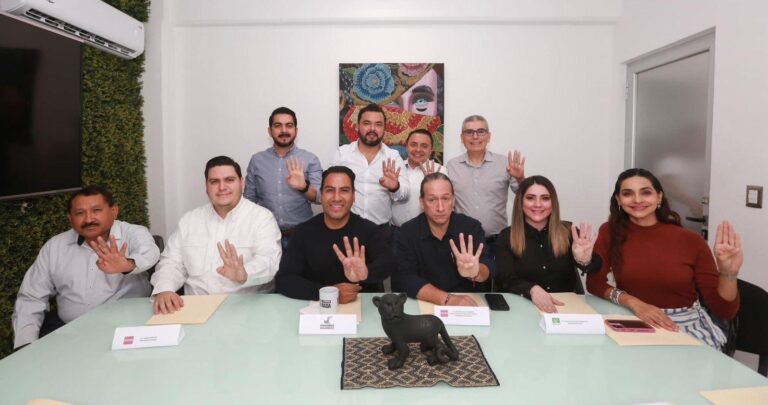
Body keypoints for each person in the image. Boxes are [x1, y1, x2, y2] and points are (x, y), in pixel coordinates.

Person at [586, 168, 741, 349]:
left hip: (683, 326)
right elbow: (594, 283)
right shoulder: (610, 231)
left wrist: (728, 273)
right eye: (628, 194)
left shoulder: (691, 240)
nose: (637, 200)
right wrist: (633, 302)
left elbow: (725, 310)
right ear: (618, 200)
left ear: (659, 197)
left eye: (646, 192)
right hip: (633, 318)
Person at [12, 185, 160, 348]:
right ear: (70, 217)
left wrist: (127, 264)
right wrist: (25, 344)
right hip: (70, 333)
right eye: (80, 213)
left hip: (126, 331)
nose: (89, 219)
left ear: (114, 211)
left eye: (96, 210)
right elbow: (31, 297)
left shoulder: (133, 233)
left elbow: (150, 254)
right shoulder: (55, 247)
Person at [151, 156, 281, 314]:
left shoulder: (262, 218)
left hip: (248, 310)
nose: (222, 187)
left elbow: (269, 261)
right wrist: (165, 289)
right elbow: (171, 262)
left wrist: (244, 274)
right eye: (214, 182)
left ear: (242, 183)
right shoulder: (189, 220)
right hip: (194, 309)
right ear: (206, 186)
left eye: (229, 180)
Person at [275, 166, 393, 303]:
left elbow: (388, 264)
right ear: (321, 195)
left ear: (354, 196)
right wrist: (328, 293)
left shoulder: (369, 230)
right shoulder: (303, 232)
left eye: (344, 190)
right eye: (330, 190)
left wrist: (366, 272)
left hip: (362, 308)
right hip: (316, 309)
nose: (336, 198)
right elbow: (284, 279)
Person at [495, 175, 601, 313]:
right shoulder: (506, 236)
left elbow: (597, 266)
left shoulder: (569, 231)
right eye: (530, 198)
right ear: (520, 202)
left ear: (553, 203)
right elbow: (504, 279)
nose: (538, 204)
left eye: (545, 198)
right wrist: (531, 289)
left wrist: (585, 260)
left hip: (565, 308)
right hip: (523, 308)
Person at [392, 173, 494, 306]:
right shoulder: (407, 232)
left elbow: (488, 266)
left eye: (446, 199)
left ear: (453, 200)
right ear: (422, 203)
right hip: (424, 301)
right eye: (432, 200)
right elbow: (404, 277)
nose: (440, 208)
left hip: (467, 303)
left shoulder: (471, 227)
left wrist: (476, 272)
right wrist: (447, 299)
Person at [446, 115, 526, 258]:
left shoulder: (504, 163)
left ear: (488, 136)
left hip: (497, 242)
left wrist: (520, 178)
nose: (475, 136)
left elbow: (525, 196)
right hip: (463, 242)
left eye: (481, 131)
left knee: (498, 273)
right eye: (469, 132)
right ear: (462, 138)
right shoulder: (451, 166)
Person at [243, 107, 322, 250]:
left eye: (289, 125)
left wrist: (304, 187)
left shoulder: (310, 159)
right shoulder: (257, 160)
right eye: (278, 125)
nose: (284, 130)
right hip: (266, 236)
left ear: (296, 130)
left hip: (302, 235)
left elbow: (319, 198)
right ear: (270, 131)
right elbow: (248, 201)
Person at [330, 103, 408, 226]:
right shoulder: (342, 154)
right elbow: (329, 188)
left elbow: (405, 194)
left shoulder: (393, 156)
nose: (372, 129)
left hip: (381, 230)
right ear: (358, 126)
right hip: (347, 227)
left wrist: (395, 187)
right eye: (367, 123)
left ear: (384, 128)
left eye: (378, 124)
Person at [391, 129, 447, 228]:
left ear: (431, 150)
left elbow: (443, 204)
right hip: (396, 230)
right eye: (413, 145)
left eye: (424, 146)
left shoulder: (440, 171)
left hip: (427, 231)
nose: (418, 149)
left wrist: (432, 183)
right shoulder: (395, 168)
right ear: (406, 146)